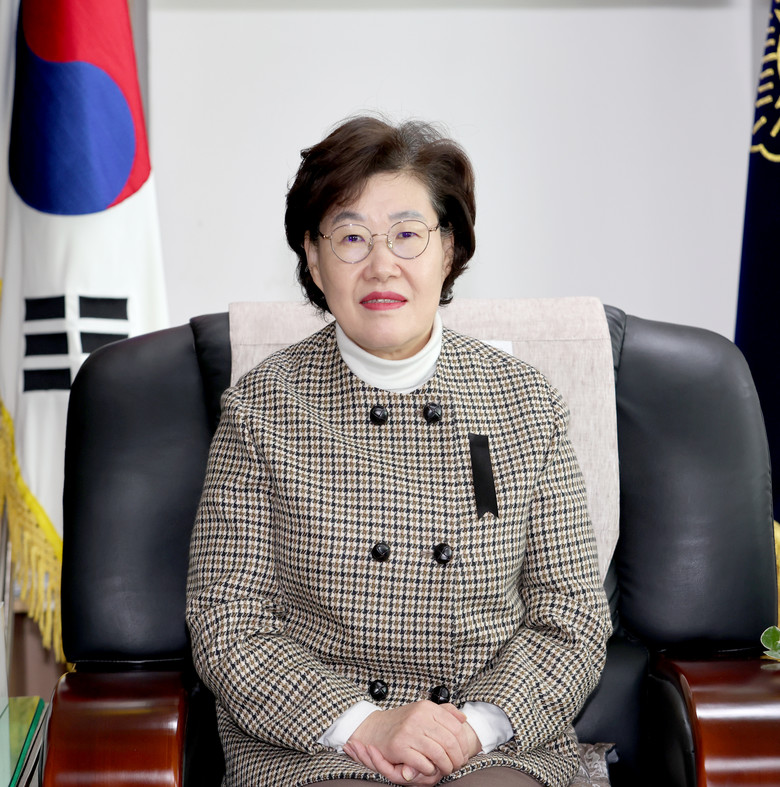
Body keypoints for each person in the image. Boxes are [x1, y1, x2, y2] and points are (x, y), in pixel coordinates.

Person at [186, 116, 611, 787]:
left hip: (494, 742)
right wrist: (363, 723)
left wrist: (472, 726)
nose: (381, 264)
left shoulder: (525, 402)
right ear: (314, 258)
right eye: (351, 237)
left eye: (408, 234)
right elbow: (226, 619)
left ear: (449, 250)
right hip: (315, 746)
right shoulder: (260, 410)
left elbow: (572, 615)